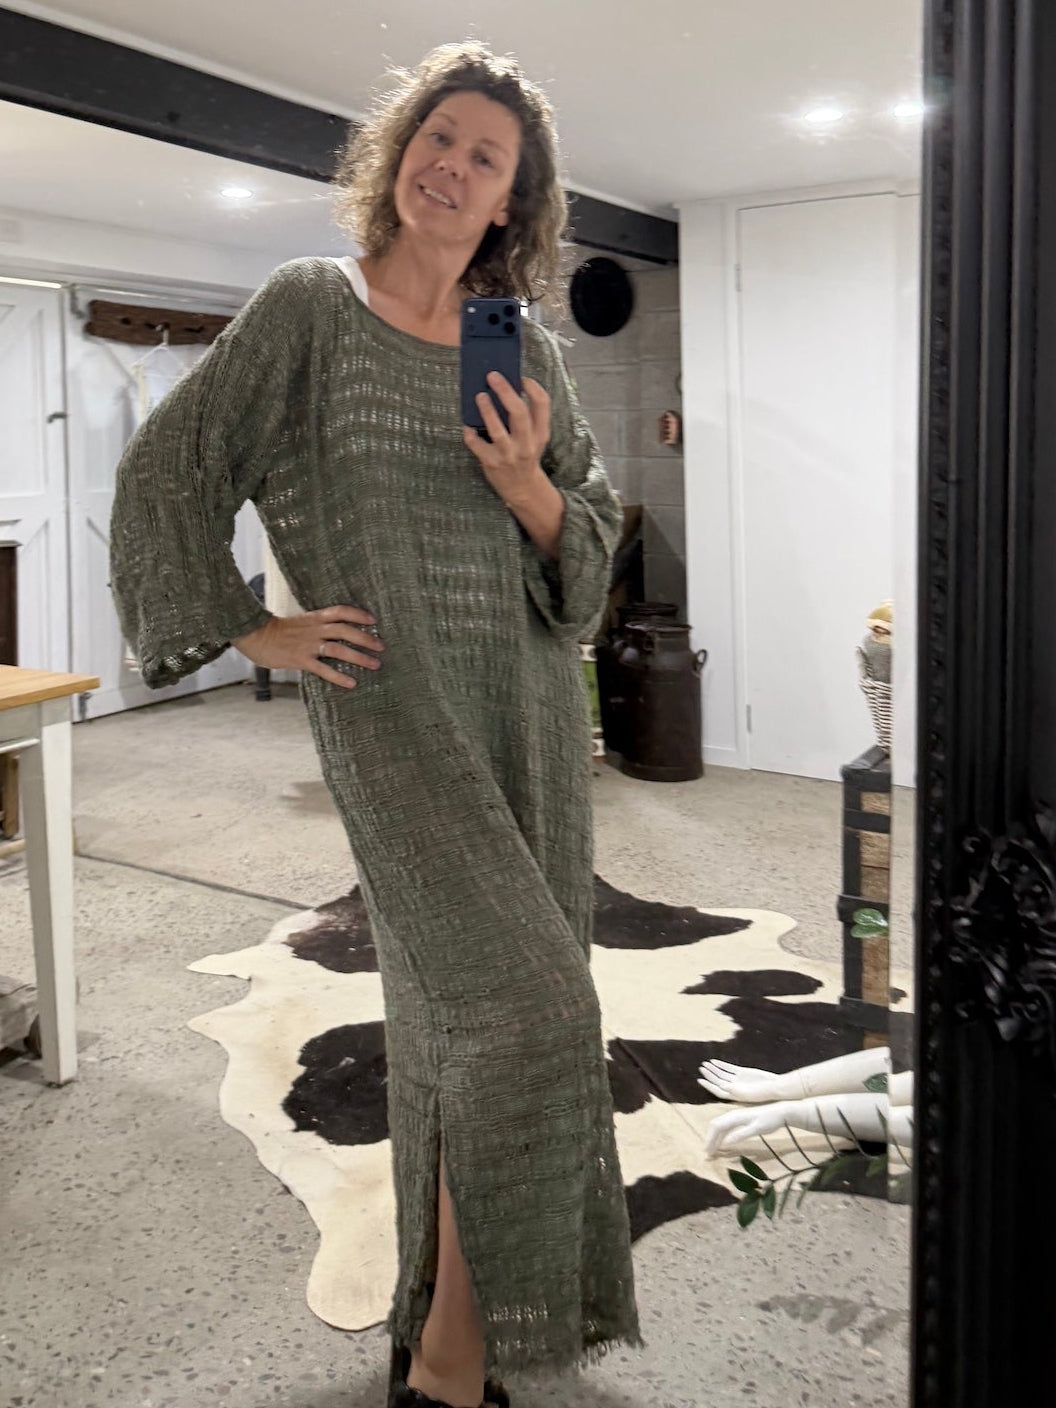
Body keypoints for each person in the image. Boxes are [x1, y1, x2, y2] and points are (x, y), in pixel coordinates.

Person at [108, 40, 642, 1408]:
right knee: (529, 1006)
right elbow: (172, 468)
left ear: (513, 204)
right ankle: (463, 1355)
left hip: (523, 704)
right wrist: (251, 626)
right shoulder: (306, 308)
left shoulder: (516, 344)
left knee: (457, 1020)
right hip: (393, 716)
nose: (451, 166)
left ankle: (433, 1317)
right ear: (398, 151)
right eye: (439, 136)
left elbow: (585, 552)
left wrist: (525, 480)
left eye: (487, 158)